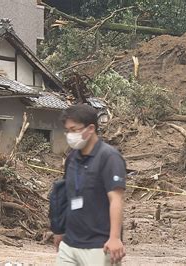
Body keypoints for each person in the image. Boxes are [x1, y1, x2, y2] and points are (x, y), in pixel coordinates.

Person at [54, 104, 127, 265]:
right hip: (69, 243)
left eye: (74, 130)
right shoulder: (72, 158)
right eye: (68, 130)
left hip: (98, 246)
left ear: (91, 128)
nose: (70, 135)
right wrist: (59, 230)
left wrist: (114, 238)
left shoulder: (109, 158)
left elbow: (116, 199)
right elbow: (67, 194)